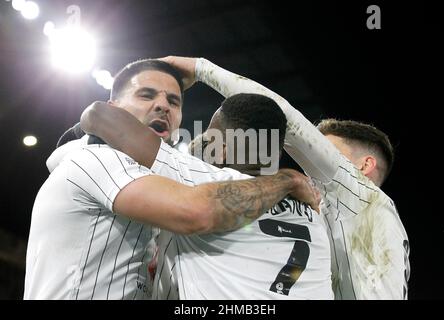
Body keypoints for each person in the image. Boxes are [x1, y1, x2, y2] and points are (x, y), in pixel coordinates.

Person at [24, 59, 318, 300]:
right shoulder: (96, 159)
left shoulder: (166, 180)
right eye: (147, 95)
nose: (163, 105)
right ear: (113, 107)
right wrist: (287, 179)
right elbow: (197, 212)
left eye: (173, 101)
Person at [161, 56, 410, 300]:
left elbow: (286, 119)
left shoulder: (358, 193)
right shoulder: (327, 218)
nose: (310, 167)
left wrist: (201, 69)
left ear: (364, 165)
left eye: (329, 154)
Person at [80, 92, 333, 299]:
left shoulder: (206, 181)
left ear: (221, 150)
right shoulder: (313, 210)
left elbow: (98, 114)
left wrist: (287, 178)